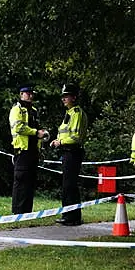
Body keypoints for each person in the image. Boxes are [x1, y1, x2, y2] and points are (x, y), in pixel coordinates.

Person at [50, 83, 88, 225]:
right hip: (68, 152)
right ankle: (70, 215)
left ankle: (71, 217)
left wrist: (60, 142)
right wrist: (58, 140)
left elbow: (76, 137)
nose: (63, 99)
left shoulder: (76, 113)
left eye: (66, 96)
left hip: (72, 151)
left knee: (69, 185)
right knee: (68, 185)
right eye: (63, 96)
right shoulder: (69, 113)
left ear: (74, 97)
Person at [9, 84, 47, 214]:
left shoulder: (34, 111)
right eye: (27, 93)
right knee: (20, 180)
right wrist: (36, 133)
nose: (30, 95)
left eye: (32, 93)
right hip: (22, 150)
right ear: (21, 94)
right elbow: (18, 128)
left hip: (33, 151)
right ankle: (17, 211)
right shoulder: (17, 109)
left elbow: (37, 128)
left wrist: (41, 137)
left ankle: (27, 212)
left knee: (30, 182)